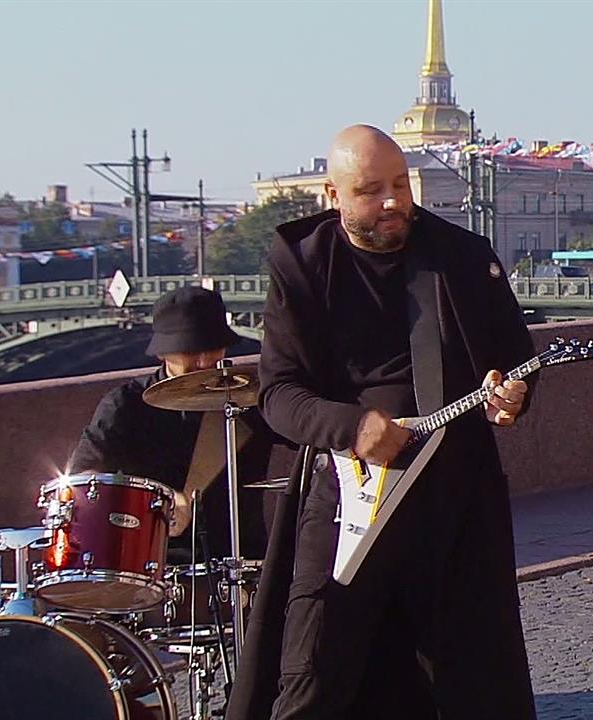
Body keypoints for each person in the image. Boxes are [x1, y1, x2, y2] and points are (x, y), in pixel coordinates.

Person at [255, 124, 537, 719]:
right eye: (370, 190)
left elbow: (514, 358)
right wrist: (353, 427)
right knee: (313, 672)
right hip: (347, 493)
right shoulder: (303, 262)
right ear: (333, 196)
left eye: (400, 185)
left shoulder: (461, 256)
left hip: (454, 497)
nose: (392, 202)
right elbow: (277, 394)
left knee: (471, 684)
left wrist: (511, 395)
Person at [69, 285, 274, 564]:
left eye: (212, 349)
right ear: (162, 353)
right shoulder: (126, 405)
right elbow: (83, 478)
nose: (204, 362)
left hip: (242, 560)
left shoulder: (249, 398)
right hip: (151, 563)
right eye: (191, 351)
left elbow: (304, 434)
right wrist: (157, 500)